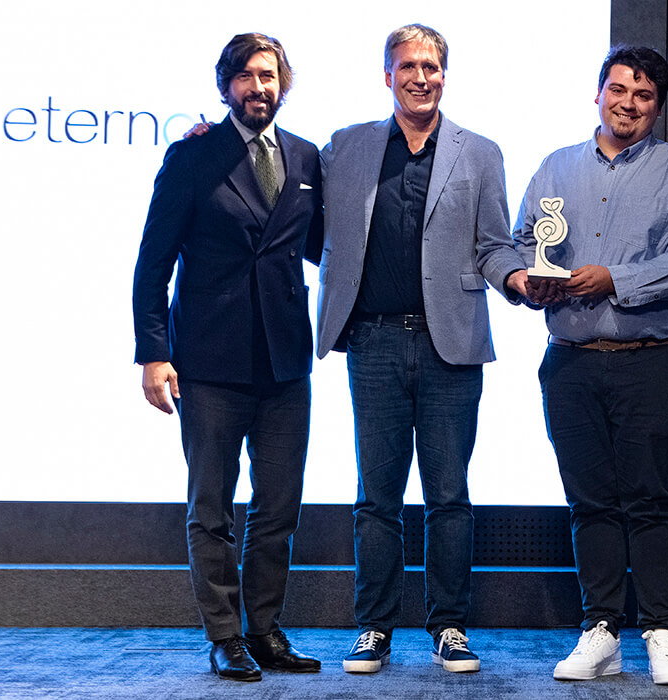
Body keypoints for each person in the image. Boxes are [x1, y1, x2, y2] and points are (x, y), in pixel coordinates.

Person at [314, 24, 529, 674]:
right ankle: (374, 628)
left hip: (450, 344)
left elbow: (494, 244)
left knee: (448, 494)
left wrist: (518, 281)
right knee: (376, 496)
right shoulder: (345, 147)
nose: (420, 77)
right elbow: (297, 203)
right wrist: (211, 139)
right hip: (373, 340)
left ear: (444, 74)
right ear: (388, 76)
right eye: (408, 66)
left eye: (431, 66)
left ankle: (449, 626)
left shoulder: (480, 152)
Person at [513, 45, 668, 686]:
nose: (628, 104)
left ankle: (663, 632)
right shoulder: (555, 166)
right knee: (590, 501)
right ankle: (600, 632)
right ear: (598, 93)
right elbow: (524, 242)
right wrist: (529, 280)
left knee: (651, 501)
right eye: (619, 90)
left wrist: (615, 279)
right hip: (570, 363)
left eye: (644, 95)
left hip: (650, 361)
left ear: (658, 106)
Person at [132, 32, 323, 682]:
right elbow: (153, 262)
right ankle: (225, 636)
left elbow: (324, 246)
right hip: (209, 362)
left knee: (279, 508)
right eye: (245, 76)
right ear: (226, 86)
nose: (258, 87)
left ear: (282, 84)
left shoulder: (306, 157)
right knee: (211, 509)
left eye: (268, 76)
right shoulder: (192, 155)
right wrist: (153, 353)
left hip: (285, 362)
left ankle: (264, 630)